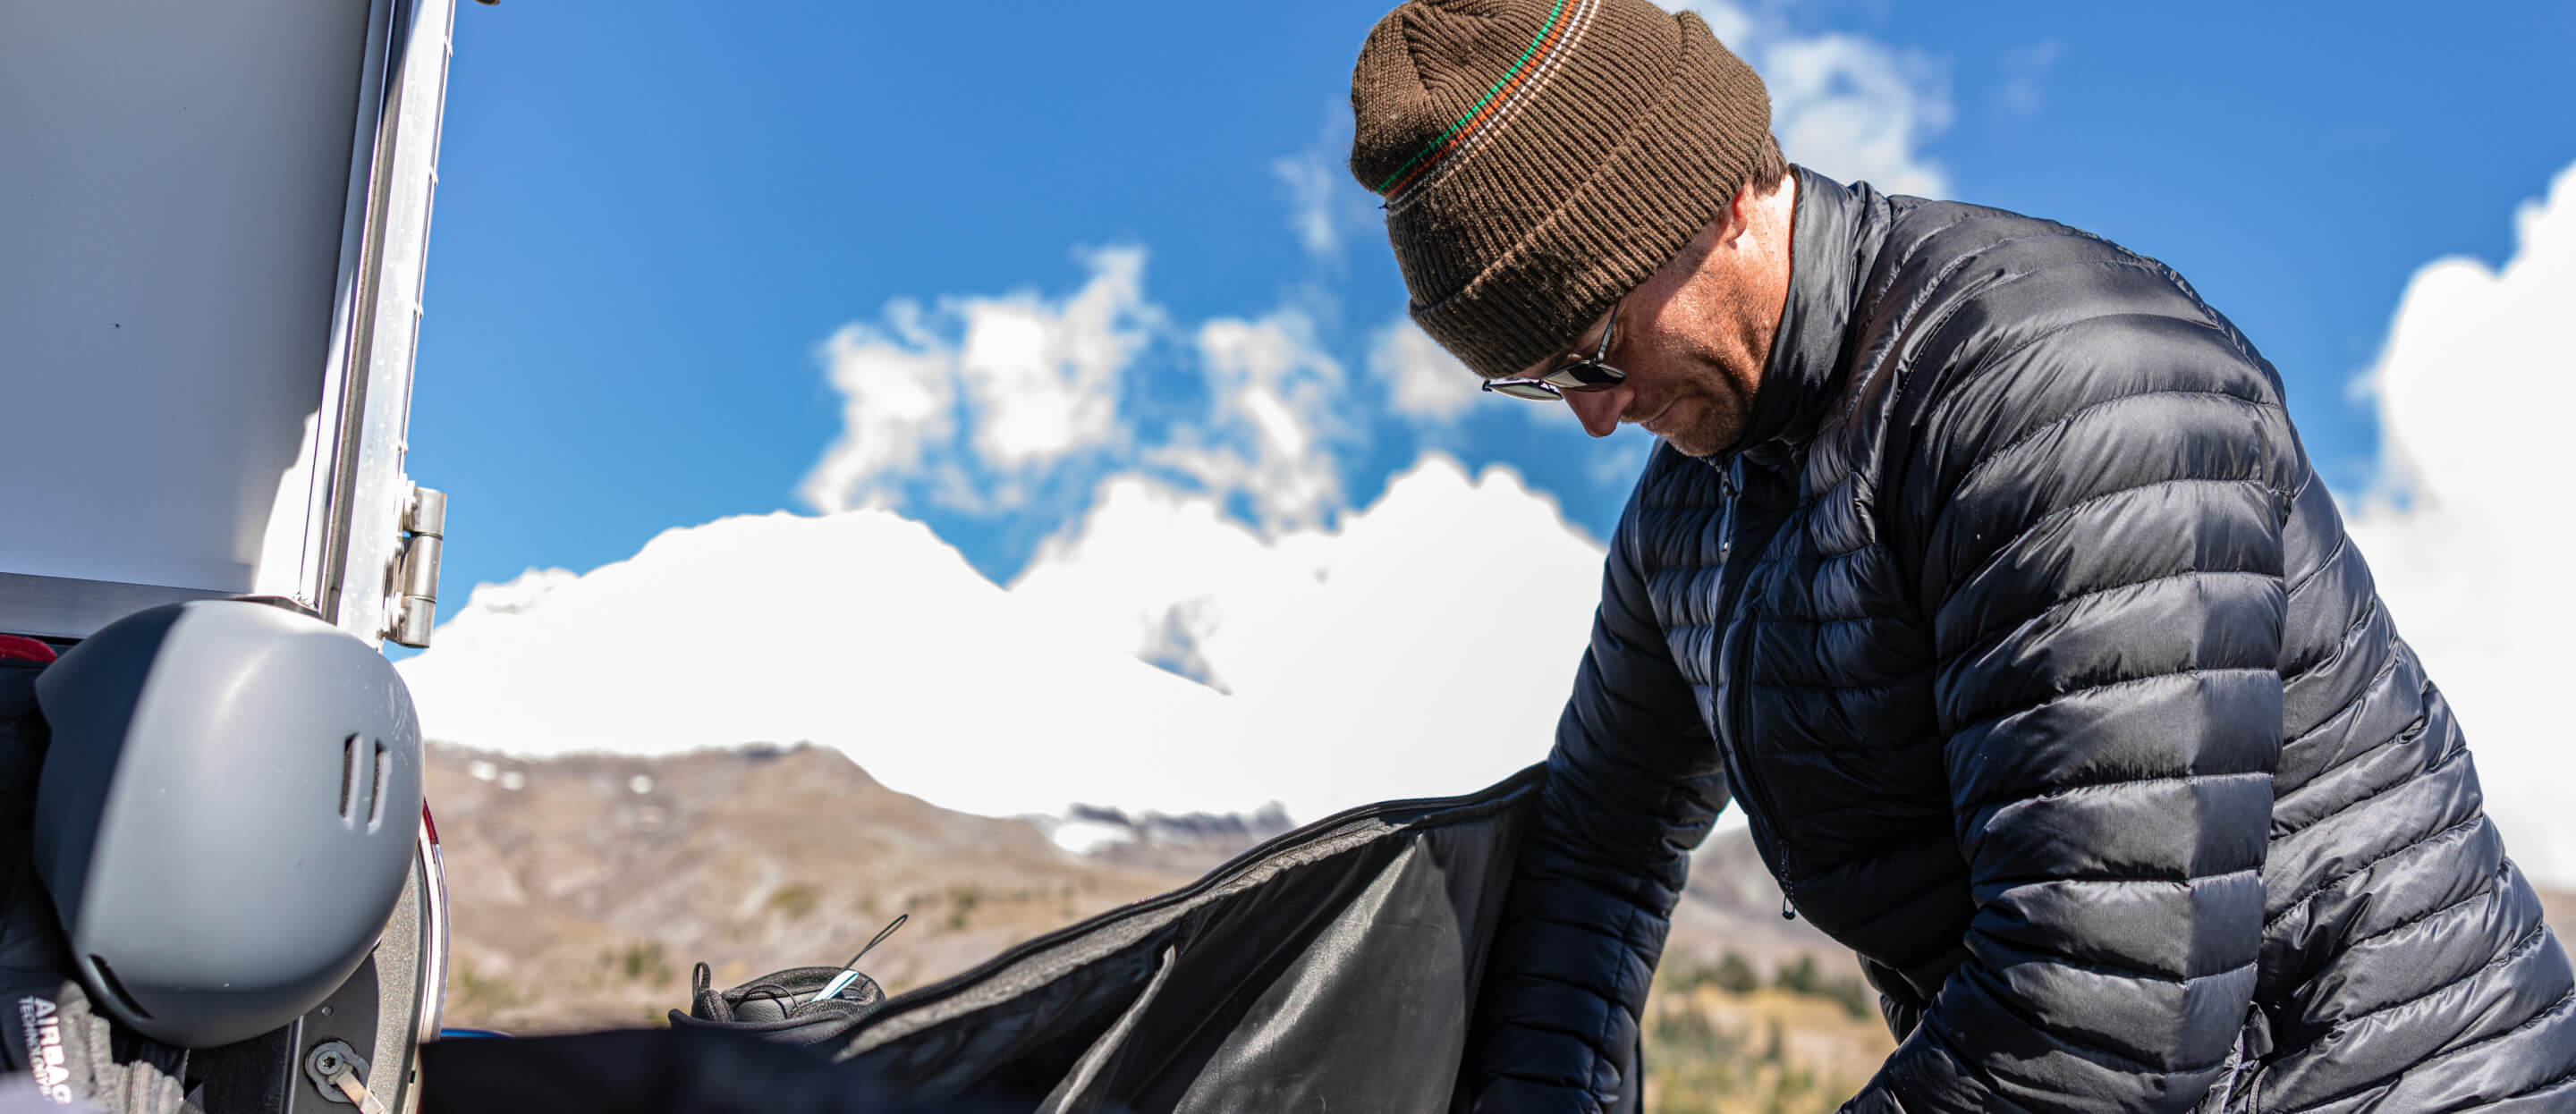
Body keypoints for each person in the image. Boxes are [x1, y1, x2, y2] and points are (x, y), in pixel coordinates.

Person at [1345, 1, 2576, 1110]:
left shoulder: (2066, 396)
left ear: (1713, 189)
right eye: (1539, 376)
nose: (1596, 413)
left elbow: (2107, 1018)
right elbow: (1592, 856)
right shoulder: (1687, 522)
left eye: (1599, 339)